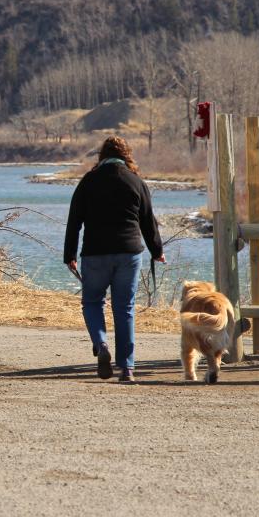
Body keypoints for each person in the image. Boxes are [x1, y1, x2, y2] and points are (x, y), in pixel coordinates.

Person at [63, 136, 165, 382]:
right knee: (125, 308)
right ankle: (127, 368)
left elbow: (74, 221)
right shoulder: (135, 181)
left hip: (95, 253)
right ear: (126, 155)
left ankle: (101, 344)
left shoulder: (88, 181)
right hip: (129, 252)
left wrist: (69, 255)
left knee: (92, 303)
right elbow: (148, 221)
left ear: (102, 156)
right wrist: (157, 251)